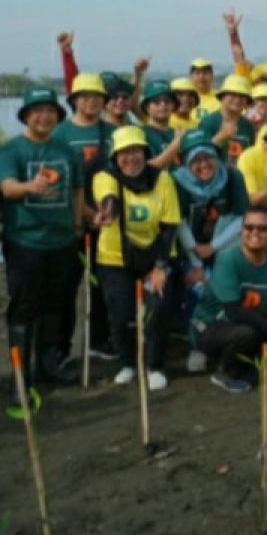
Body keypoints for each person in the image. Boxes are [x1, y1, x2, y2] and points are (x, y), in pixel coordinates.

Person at [0, 86, 84, 398]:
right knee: (24, 306)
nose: (44, 117)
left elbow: (76, 191)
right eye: (37, 111)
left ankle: (49, 362)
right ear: (26, 116)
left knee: (55, 304)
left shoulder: (66, 151)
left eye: (50, 112)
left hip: (62, 241)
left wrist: (77, 225)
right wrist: (29, 187)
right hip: (25, 242)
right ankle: (20, 372)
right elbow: (6, 188)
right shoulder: (12, 151)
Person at [92, 126, 180, 391]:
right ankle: (128, 362)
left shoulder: (163, 179)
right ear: (115, 157)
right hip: (116, 257)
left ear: (145, 152)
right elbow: (109, 200)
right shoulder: (105, 177)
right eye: (124, 153)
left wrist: (160, 267)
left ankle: (154, 365)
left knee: (157, 306)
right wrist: (107, 213)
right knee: (120, 313)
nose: (131, 158)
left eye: (136, 151)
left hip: (156, 254)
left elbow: (170, 226)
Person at [191, 205, 267, 393]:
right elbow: (233, 310)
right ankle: (225, 371)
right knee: (249, 332)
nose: (254, 233)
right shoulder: (228, 259)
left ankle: (248, 365)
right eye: (249, 227)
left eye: (262, 228)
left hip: (245, 323)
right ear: (241, 231)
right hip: (210, 326)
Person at [172, 130, 250, 371]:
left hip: (224, 245)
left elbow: (240, 218)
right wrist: (196, 259)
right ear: (186, 162)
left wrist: (213, 248)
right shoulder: (176, 181)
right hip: (189, 247)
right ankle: (197, 344)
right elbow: (177, 220)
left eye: (209, 158)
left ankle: (223, 344)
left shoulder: (233, 176)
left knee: (226, 292)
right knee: (197, 293)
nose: (204, 165)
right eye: (196, 160)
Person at [53, 71, 116, 362]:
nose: (92, 102)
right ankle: (61, 347)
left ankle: (99, 341)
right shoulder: (60, 133)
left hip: (107, 220)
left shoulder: (112, 132)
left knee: (101, 283)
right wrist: (87, 214)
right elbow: (58, 182)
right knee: (65, 287)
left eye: (97, 97)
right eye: (85, 96)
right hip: (71, 223)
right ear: (74, 99)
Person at [199, 75, 256, 168]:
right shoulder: (208, 122)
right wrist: (221, 136)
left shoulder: (248, 126)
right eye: (233, 95)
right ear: (222, 97)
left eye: (242, 96)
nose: (237, 100)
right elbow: (198, 154)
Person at [138, 80, 186, 168]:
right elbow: (145, 169)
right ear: (147, 107)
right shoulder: (139, 133)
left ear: (173, 106)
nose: (163, 105)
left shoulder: (178, 133)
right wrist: (176, 144)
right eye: (156, 102)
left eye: (167, 101)